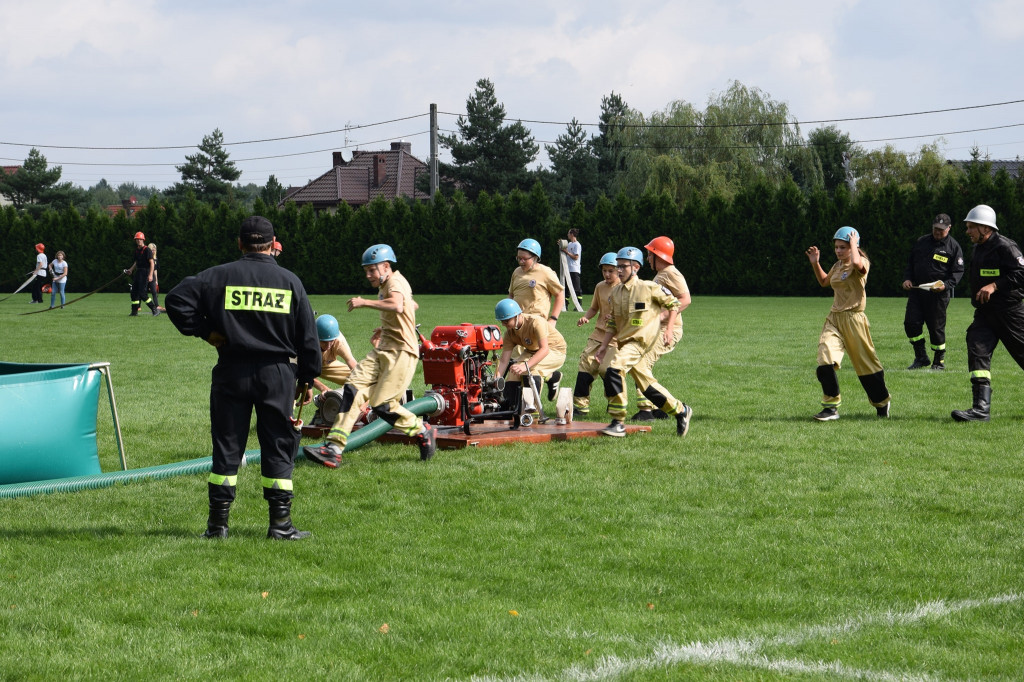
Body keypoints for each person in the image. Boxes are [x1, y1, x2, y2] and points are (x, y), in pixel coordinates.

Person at [165, 216, 321, 540]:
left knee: (227, 446)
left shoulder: (218, 276)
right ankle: (280, 526)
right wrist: (306, 379)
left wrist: (205, 331)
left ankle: (217, 527)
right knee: (278, 445)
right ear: (272, 243)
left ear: (240, 244)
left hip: (231, 371)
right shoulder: (291, 282)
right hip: (277, 374)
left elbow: (176, 300)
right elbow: (308, 337)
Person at [304, 244, 437, 464]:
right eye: (366, 270)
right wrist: (387, 328)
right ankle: (334, 449)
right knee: (353, 387)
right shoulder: (391, 283)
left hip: (401, 353)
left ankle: (422, 431)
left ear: (386, 266)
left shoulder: (395, 282)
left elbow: (397, 304)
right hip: (383, 349)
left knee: (383, 406)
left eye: (372, 270)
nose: (368, 275)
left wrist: (363, 302)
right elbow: (411, 305)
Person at [595, 247, 692, 437]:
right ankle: (681, 411)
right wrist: (604, 346)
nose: (619, 270)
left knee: (614, 369)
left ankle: (618, 421)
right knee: (646, 386)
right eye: (618, 267)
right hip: (624, 343)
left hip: (640, 342)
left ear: (636, 267)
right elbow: (613, 323)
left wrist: (670, 329)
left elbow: (674, 304)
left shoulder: (649, 287)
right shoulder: (616, 293)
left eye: (623, 266)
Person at [806, 227, 891, 421]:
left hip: (855, 320)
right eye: (836, 247)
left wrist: (854, 244)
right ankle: (830, 407)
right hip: (834, 319)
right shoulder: (837, 266)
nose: (838, 251)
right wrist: (815, 263)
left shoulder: (862, 264)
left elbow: (856, 262)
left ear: (853, 246)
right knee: (824, 358)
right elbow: (824, 282)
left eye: (842, 247)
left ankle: (882, 402)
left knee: (867, 367)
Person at [951, 205, 1024, 422]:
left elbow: (1022, 274)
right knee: (977, 348)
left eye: (971, 227)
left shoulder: (1005, 247)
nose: (968, 231)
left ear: (985, 227)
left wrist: (995, 285)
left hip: (1010, 313)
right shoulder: (978, 247)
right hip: (985, 315)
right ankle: (981, 410)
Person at [632, 236, 692, 420]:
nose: (648, 258)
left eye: (650, 254)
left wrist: (663, 319)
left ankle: (660, 409)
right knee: (639, 363)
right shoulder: (662, 274)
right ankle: (655, 408)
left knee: (640, 363)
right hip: (657, 328)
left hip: (669, 329)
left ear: (658, 256)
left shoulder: (671, 273)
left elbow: (685, 299)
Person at [901, 213, 964, 370]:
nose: (938, 232)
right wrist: (907, 279)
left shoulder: (954, 247)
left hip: (938, 295)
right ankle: (921, 357)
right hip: (917, 291)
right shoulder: (921, 242)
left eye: (941, 230)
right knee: (911, 323)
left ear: (949, 229)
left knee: (936, 328)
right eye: (936, 229)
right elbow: (910, 264)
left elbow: (958, 272)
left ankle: (938, 362)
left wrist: (946, 285)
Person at [508, 238, 566, 397]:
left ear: (535, 258)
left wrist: (553, 319)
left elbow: (560, 295)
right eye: (518, 257)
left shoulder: (546, 273)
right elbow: (511, 295)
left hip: (536, 327)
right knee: (515, 367)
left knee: (527, 367)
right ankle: (551, 377)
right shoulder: (516, 272)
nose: (521, 261)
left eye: (524, 259)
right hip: (518, 326)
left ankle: (529, 409)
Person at [494, 298, 568, 411]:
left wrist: (525, 365)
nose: (504, 324)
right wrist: (497, 377)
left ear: (517, 315)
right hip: (532, 350)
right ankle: (511, 408)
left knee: (530, 370)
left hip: (555, 349)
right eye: (502, 321)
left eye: (506, 321)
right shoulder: (510, 333)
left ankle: (532, 408)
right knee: (514, 372)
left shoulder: (535, 322)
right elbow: (504, 360)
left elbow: (544, 349)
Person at [572, 252, 620, 418]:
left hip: (616, 338)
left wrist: (616, 317)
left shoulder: (625, 288)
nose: (607, 274)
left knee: (608, 369)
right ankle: (580, 406)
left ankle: (614, 404)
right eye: (604, 270)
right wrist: (586, 317)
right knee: (585, 364)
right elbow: (594, 308)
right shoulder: (600, 287)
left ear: (619, 270)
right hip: (598, 334)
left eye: (610, 271)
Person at [312, 313, 359, 395]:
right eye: (324, 342)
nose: (328, 346)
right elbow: (303, 373)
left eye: (331, 341)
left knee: (357, 377)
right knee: (288, 381)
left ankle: (345, 400)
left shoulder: (339, 341)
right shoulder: (307, 342)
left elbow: (352, 362)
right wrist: (324, 389)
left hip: (327, 363)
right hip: (308, 365)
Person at [123, 231, 159, 316]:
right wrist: (131, 270)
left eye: (140, 239)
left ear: (143, 240)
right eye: (137, 239)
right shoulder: (136, 251)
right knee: (134, 292)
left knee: (142, 293)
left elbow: (152, 263)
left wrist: (150, 275)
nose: (138, 241)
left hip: (145, 272)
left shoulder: (147, 250)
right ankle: (134, 312)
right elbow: (136, 262)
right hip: (138, 272)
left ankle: (154, 309)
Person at [560, 228, 582, 302]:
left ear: (572, 234)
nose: (567, 235)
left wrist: (567, 252)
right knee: (566, 287)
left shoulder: (577, 245)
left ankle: (579, 303)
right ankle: (566, 303)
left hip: (574, 269)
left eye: (568, 233)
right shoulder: (569, 244)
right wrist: (560, 244)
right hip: (568, 269)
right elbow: (564, 248)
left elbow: (576, 257)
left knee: (576, 287)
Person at [147, 242, 164, 312]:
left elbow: (155, 270)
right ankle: (138, 307)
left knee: (154, 292)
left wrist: (156, 280)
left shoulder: (155, 259)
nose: (153, 251)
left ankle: (157, 306)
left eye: (154, 250)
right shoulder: (147, 258)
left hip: (153, 277)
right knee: (142, 292)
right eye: (152, 250)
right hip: (146, 276)